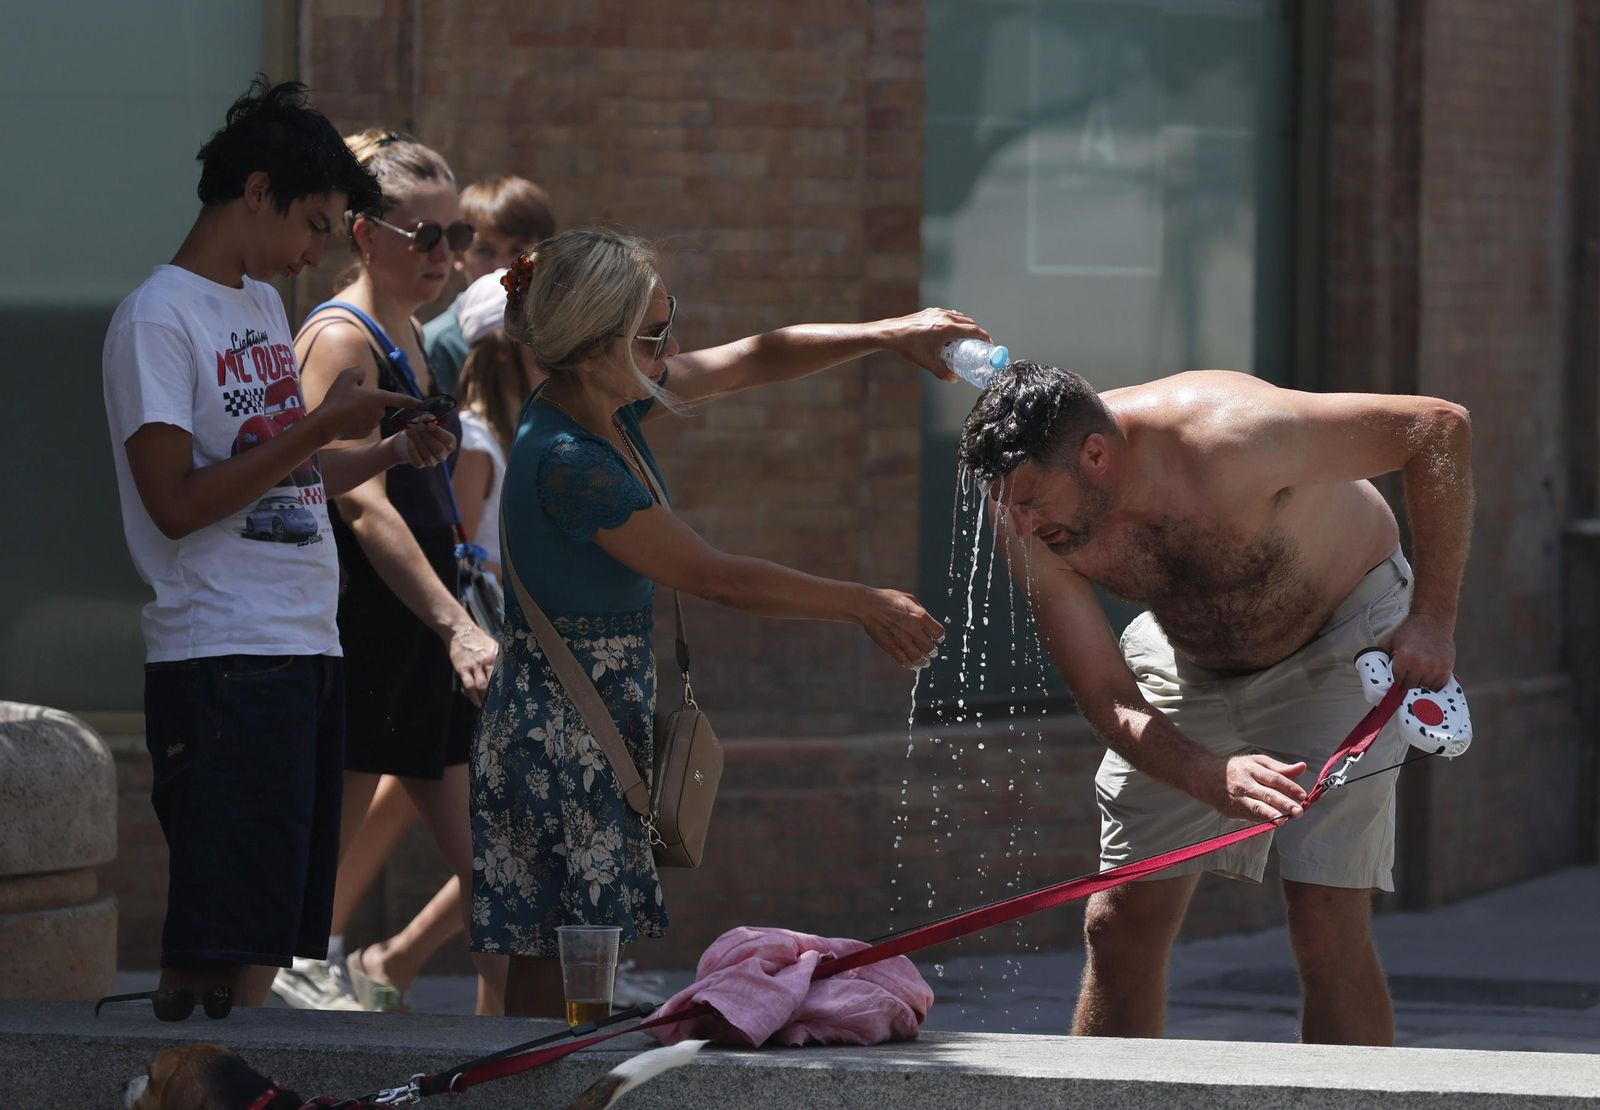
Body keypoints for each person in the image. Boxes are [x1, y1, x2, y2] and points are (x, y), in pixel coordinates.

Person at [472, 228, 977, 1017]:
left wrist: (889, 334)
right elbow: (718, 578)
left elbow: (757, 357)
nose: (674, 344)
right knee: (561, 964)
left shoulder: (599, 399)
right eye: (655, 333)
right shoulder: (571, 459)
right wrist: (860, 601)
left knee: (570, 952)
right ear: (597, 343)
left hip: (580, 722)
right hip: (563, 737)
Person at [955, 360, 1474, 1045]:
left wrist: (1433, 617)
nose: (1019, 526)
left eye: (1031, 502)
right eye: (1007, 503)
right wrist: (1207, 773)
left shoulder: (1231, 433)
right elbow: (1107, 695)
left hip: (1339, 634)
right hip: (1186, 656)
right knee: (1117, 923)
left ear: (1096, 455)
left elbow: (1436, 428)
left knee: (1324, 919)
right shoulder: (1027, 513)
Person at [102, 78, 456, 1009]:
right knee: (215, 943)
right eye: (313, 221)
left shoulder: (257, 304)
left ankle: (240, 1071)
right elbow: (175, 504)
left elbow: (281, 480)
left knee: (267, 932)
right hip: (220, 657)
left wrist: (379, 449)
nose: (316, 252)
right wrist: (309, 432)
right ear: (254, 192)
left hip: (303, 645)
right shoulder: (157, 319)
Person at [286, 129, 506, 1016]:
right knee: (304, 888)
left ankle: (515, 1060)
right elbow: (360, 501)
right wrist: (457, 623)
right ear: (363, 232)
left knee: (499, 884)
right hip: (368, 636)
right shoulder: (343, 338)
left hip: (414, 640)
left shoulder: (410, 332)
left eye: (456, 236)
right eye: (428, 237)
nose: (447, 257)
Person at [424, 175, 558, 394]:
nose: (502, 266)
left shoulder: (561, 336)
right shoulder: (440, 345)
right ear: (458, 255)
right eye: (484, 251)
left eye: (517, 250)